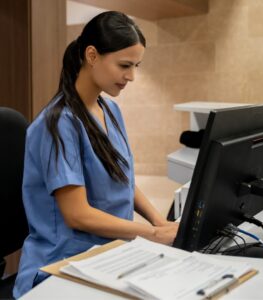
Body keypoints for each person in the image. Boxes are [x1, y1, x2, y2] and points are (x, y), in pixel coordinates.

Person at [13, 11, 178, 298]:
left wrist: (159, 222)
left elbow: (121, 179)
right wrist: (151, 235)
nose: (132, 77)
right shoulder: (56, 124)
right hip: (61, 264)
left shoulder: (110, 111)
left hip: (110, 253)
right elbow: (77, 215)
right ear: (92, 56)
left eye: (136, 66)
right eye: (124, 65)